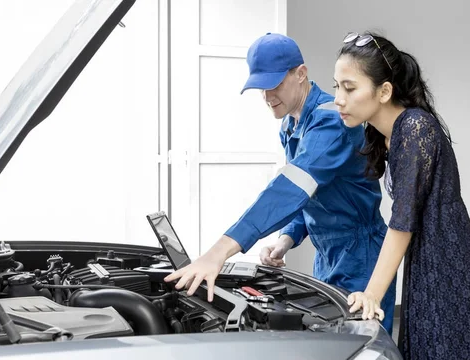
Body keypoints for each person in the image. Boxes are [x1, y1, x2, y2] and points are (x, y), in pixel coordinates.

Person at [165, 32, 397, 334]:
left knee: (363, 347)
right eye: (261, 88)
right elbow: (313, 193)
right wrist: (286, 238)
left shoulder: (332, 121)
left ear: (301, 74)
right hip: (326, 253)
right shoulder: (291, 124)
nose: (267, 96)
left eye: (274, 85)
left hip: (360, 253)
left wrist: (218, 253)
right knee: (330, 346)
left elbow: (290, 190)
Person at [333, 31, 470, 360]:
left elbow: (402, 220)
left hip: (449, 273)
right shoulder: (386, 131)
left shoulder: (414, 127)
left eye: (349, 88)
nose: (338, 99)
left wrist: (373, 294)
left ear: (384, 91)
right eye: (336, 87)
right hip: (429, 268)